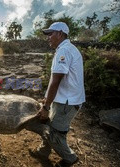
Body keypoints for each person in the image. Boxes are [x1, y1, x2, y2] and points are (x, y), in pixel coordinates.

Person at [29, 22, 85, 167]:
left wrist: (46, 106)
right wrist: (48, 98)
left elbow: (56, 81)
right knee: (51, 127)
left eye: (50, 33)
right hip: (64, 99)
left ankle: (69, 158)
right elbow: (58, 81)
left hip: (66, 102)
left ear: (60, 33)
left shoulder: (64, 51)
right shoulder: (68, 49)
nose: (48, 37)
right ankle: (42, 152)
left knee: (55, 134)